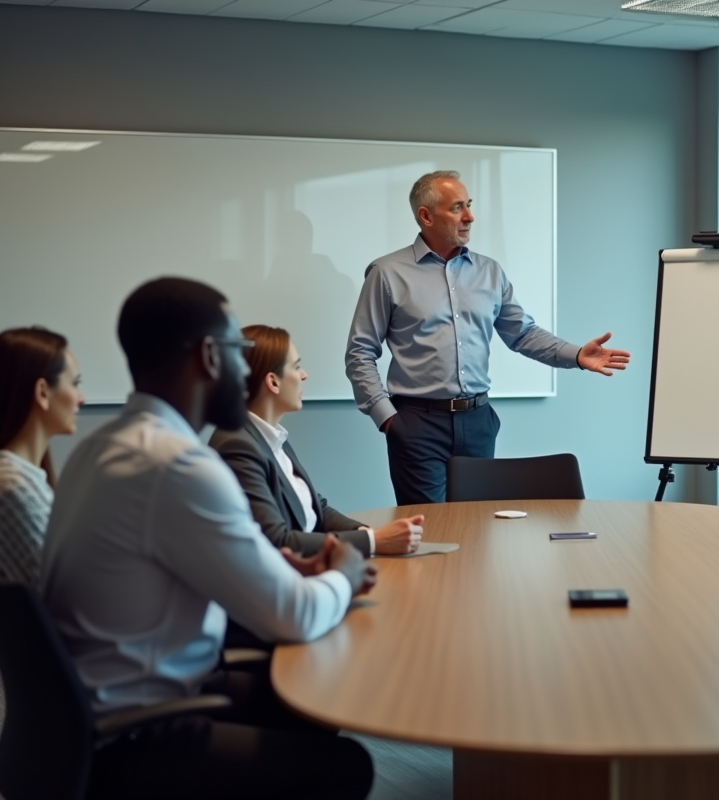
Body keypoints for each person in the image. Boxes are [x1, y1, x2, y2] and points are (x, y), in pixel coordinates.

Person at [39, 278, 376, 800]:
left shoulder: (98, 449)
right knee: (344, 763)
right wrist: (343, 574)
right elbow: (295, 616)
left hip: (82, 720)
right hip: (137, 734)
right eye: (239, 352)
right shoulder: (179, 465)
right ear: (208, 356)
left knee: (303, 693)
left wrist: (286, 573)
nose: (246, 371)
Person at [345, 170, 631, 505]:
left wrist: (576, 354)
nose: (469, 216)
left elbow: (522, 333)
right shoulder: (387, 273)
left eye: (468, 205)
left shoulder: (490, 272)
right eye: (457, 208)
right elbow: (360, 351)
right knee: (429, 533)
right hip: (417, 424)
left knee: (477, 530)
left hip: (478, 421)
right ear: (425, 216)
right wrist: (388, 420)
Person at [211, 324, 424, 558]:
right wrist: (374, 541)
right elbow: (278, 541)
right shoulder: (238, 445)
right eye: (296, 366)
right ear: (273, 382)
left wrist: (365, 532)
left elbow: (317, 507)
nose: (304, 375)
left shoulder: (269, 435)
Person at [0, 327, 85, 585]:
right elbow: (64, 593)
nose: (81, 398)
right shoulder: (12, 488)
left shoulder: (27, 479)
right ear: (42, 392)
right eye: (75, 384)